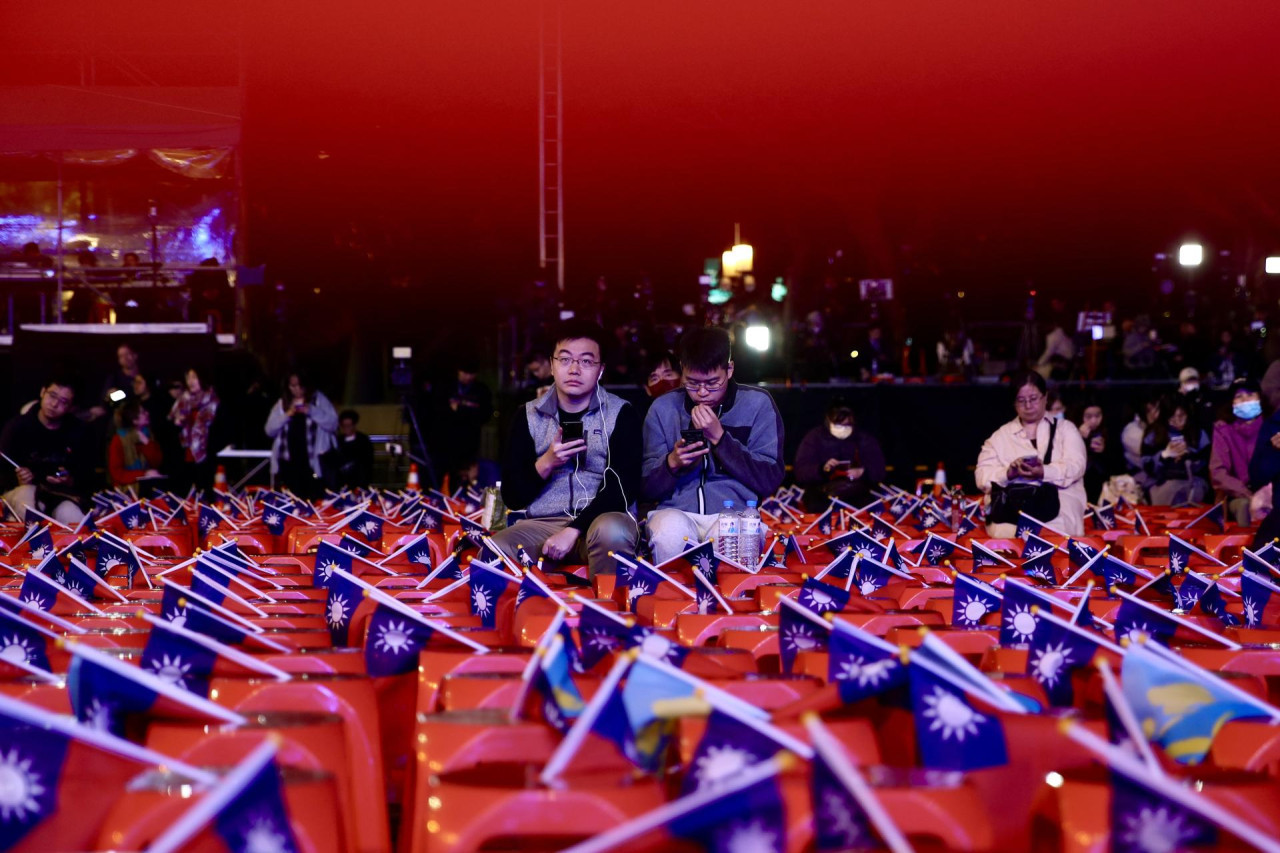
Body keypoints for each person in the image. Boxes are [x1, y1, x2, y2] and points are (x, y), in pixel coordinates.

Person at [492, 320, 640, 578]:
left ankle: (608, 613)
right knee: (494, 550)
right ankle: (522, 616)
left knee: (612, 532)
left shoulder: (621, 413)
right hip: (543, 524)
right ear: (551, 365)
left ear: (601, 370)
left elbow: (623, 489)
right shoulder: (527, 415)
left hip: (600, 521)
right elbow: (513, 496)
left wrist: (574, 530)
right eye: (565, 359)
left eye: (585, 361)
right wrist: (546, 462)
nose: (574, 369)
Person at [642, 327, 785, 562]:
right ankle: (673, 597)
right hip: (675, 510)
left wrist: (720, 439)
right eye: (692, 382)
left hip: (735, 511)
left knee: (730, 534)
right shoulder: (663, 408)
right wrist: (672, 463)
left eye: (712, 383)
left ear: (729, 369)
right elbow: (644, 487)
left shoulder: (757, 404)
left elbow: (770, 479)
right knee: (669, 531)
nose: (701, 392)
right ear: (682, 370)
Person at [975, 370, 1087, 537]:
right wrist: (1008, 474)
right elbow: (982, 476)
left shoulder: (1066, 429)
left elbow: (1076, 466)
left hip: (1059, 513)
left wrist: (1044, 472)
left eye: (1033, 399)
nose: (1028, 406)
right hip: (1012, 512)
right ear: (1014, 403)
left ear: (1045, 397)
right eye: (1021, 400)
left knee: (1055, 532)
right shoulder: (999, 437)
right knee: (1006, 533)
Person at [0, 377, 91, 525]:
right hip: (21, 491)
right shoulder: (17, 427)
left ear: (70, 407)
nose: (54, 404)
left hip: (60, 494)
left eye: (63, 401)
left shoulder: (78, 431)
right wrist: (17, 479)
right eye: (52, 396)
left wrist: (69, 480)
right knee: (27, 495)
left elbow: (87, 475)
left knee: (73, 516)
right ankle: (33, 546)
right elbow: (2, 470)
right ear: (43, 392)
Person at [793, 397, 886, 512]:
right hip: (822, 492)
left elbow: (879, 470)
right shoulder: (814, 438)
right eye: (838, 425)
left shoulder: (864, 439)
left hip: (856, 490)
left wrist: (863, 472)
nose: (842, 429)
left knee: (871, 505)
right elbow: (801, 471)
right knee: (815, 504)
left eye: (847, 425)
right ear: (829, 421)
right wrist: (823, 469)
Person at [265, 372, 338, 499]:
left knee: (315, 498)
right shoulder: (282, 403)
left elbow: (333, 424)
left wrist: (311, 411)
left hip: (313, 463)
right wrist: (287, 414)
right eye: (292, 386)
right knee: (291, 501)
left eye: (299, 385)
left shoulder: (319, 400)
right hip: (288, 462)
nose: (296, 389)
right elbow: (269, 430)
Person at [1210, 378, 1265, 526]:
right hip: (1237, 494)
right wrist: (1247, 493)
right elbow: (1218, 473)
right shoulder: (1223, 430)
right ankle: (1247, 549)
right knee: (1244, 506)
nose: (1245, 400)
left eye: (1250, 395)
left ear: (1260, 398)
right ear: (1232, 403)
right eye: (1239, 396)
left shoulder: (1271, 425)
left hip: (1269, 490)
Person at [1141, 397, 1210, 506]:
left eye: (1181, 416)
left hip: (1193, 482)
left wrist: (1188, 455)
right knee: (1170, 491)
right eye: (1172, 417)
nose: (1177, 421)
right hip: (1161, 483)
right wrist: (1164, 456)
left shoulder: (1198, 433)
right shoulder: (1154, 433)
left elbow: (1206, 463)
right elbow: (1146, 466)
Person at [169, 367, 220, 492]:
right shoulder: (182, 402)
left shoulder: (213, 402)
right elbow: (170, 428)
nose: (190, 381)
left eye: (194, 377)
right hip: (185, 458)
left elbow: (218, 431)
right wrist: (177, 423)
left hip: (207, 458)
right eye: (188, 378)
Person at [108, 399, 163, 488]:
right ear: (135, 420)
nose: (147, 414)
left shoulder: (149, 435)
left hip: (149, 486)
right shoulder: (119, 440)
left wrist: (148, 444)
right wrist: (143, 474)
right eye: (143, 413)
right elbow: (117, 473)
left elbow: (157, 462)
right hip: (127, 489)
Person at [1075, 401, 1120, 504]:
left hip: (1104, 486)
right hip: (1081, 484)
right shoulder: (1072, 432)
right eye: (1088, 416)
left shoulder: (1110, 433)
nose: (1094, 420)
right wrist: (1081, 440)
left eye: (1097, 416)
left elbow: (1117, 465)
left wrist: (1104, 452)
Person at [329, 409, 374, 491]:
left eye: (349, 425)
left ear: (354, 425)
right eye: (344, 425)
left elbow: (367, 462)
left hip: (359, 482)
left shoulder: (363, 440)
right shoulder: (338, 441)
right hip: (342, 483)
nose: (347, 428)